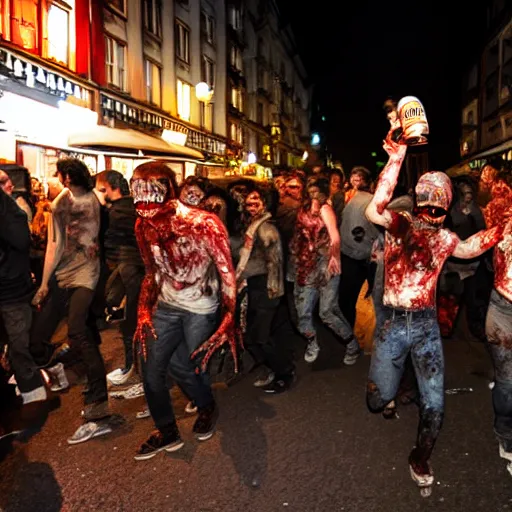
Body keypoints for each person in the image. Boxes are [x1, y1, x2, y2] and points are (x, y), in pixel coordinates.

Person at [365, 130, 505, 490]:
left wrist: (503, 226)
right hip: (393, 325)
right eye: (427, 207)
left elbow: (470, 248)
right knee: (376, 398)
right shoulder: (400, 225)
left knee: (435, 403)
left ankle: (420, 456)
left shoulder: (445, 240)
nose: (433, 216)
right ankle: (391, 389)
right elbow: (372, 210)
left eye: (440, 210)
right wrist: (396, 157)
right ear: (417, 204)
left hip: (426, 326)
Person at [130, 162, 237, 461]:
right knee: (151, 368)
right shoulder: (142, 225)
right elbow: (150, 273)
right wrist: (143, 311)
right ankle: (166, 430)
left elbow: (227, 272)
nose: (144, 196)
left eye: (153, 189)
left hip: (201, 307)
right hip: (166, 305)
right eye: (138, 188)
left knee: (192, 364)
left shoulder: (204, 223)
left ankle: (206, 406)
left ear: (170, 189)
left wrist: (229, 318)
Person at [31, 158, 111, 444]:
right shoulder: (61, 202)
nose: (59, 178)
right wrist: (43, 283)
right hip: (65, 271)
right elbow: (54, 243)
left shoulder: (96, 199)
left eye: (62, 174)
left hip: (89, 271)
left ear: (71, 174)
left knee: (77, 328)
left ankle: (99, 401)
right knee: (78, 331)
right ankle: (85, 378)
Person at [290, 176, 360, 365]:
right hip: (306, 264)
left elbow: (334, 237)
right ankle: (312, 341)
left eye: (316, 192)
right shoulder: (301, 210)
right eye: (310, 191)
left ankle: (352, 344)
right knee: (302, 312)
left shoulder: (325, 209)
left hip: (325, 262)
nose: (313, 195)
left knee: (327, 312)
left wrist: (334, 258)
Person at [95, 170, 145, 386]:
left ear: (108, 187)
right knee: (127, 318)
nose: (98, 193)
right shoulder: (131, 206)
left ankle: (135, 370)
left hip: (130, 269)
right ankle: (132, 367)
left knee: (130, 320)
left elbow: (118, 243)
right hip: (131, 269)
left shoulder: (118, 212)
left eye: (99, 188)